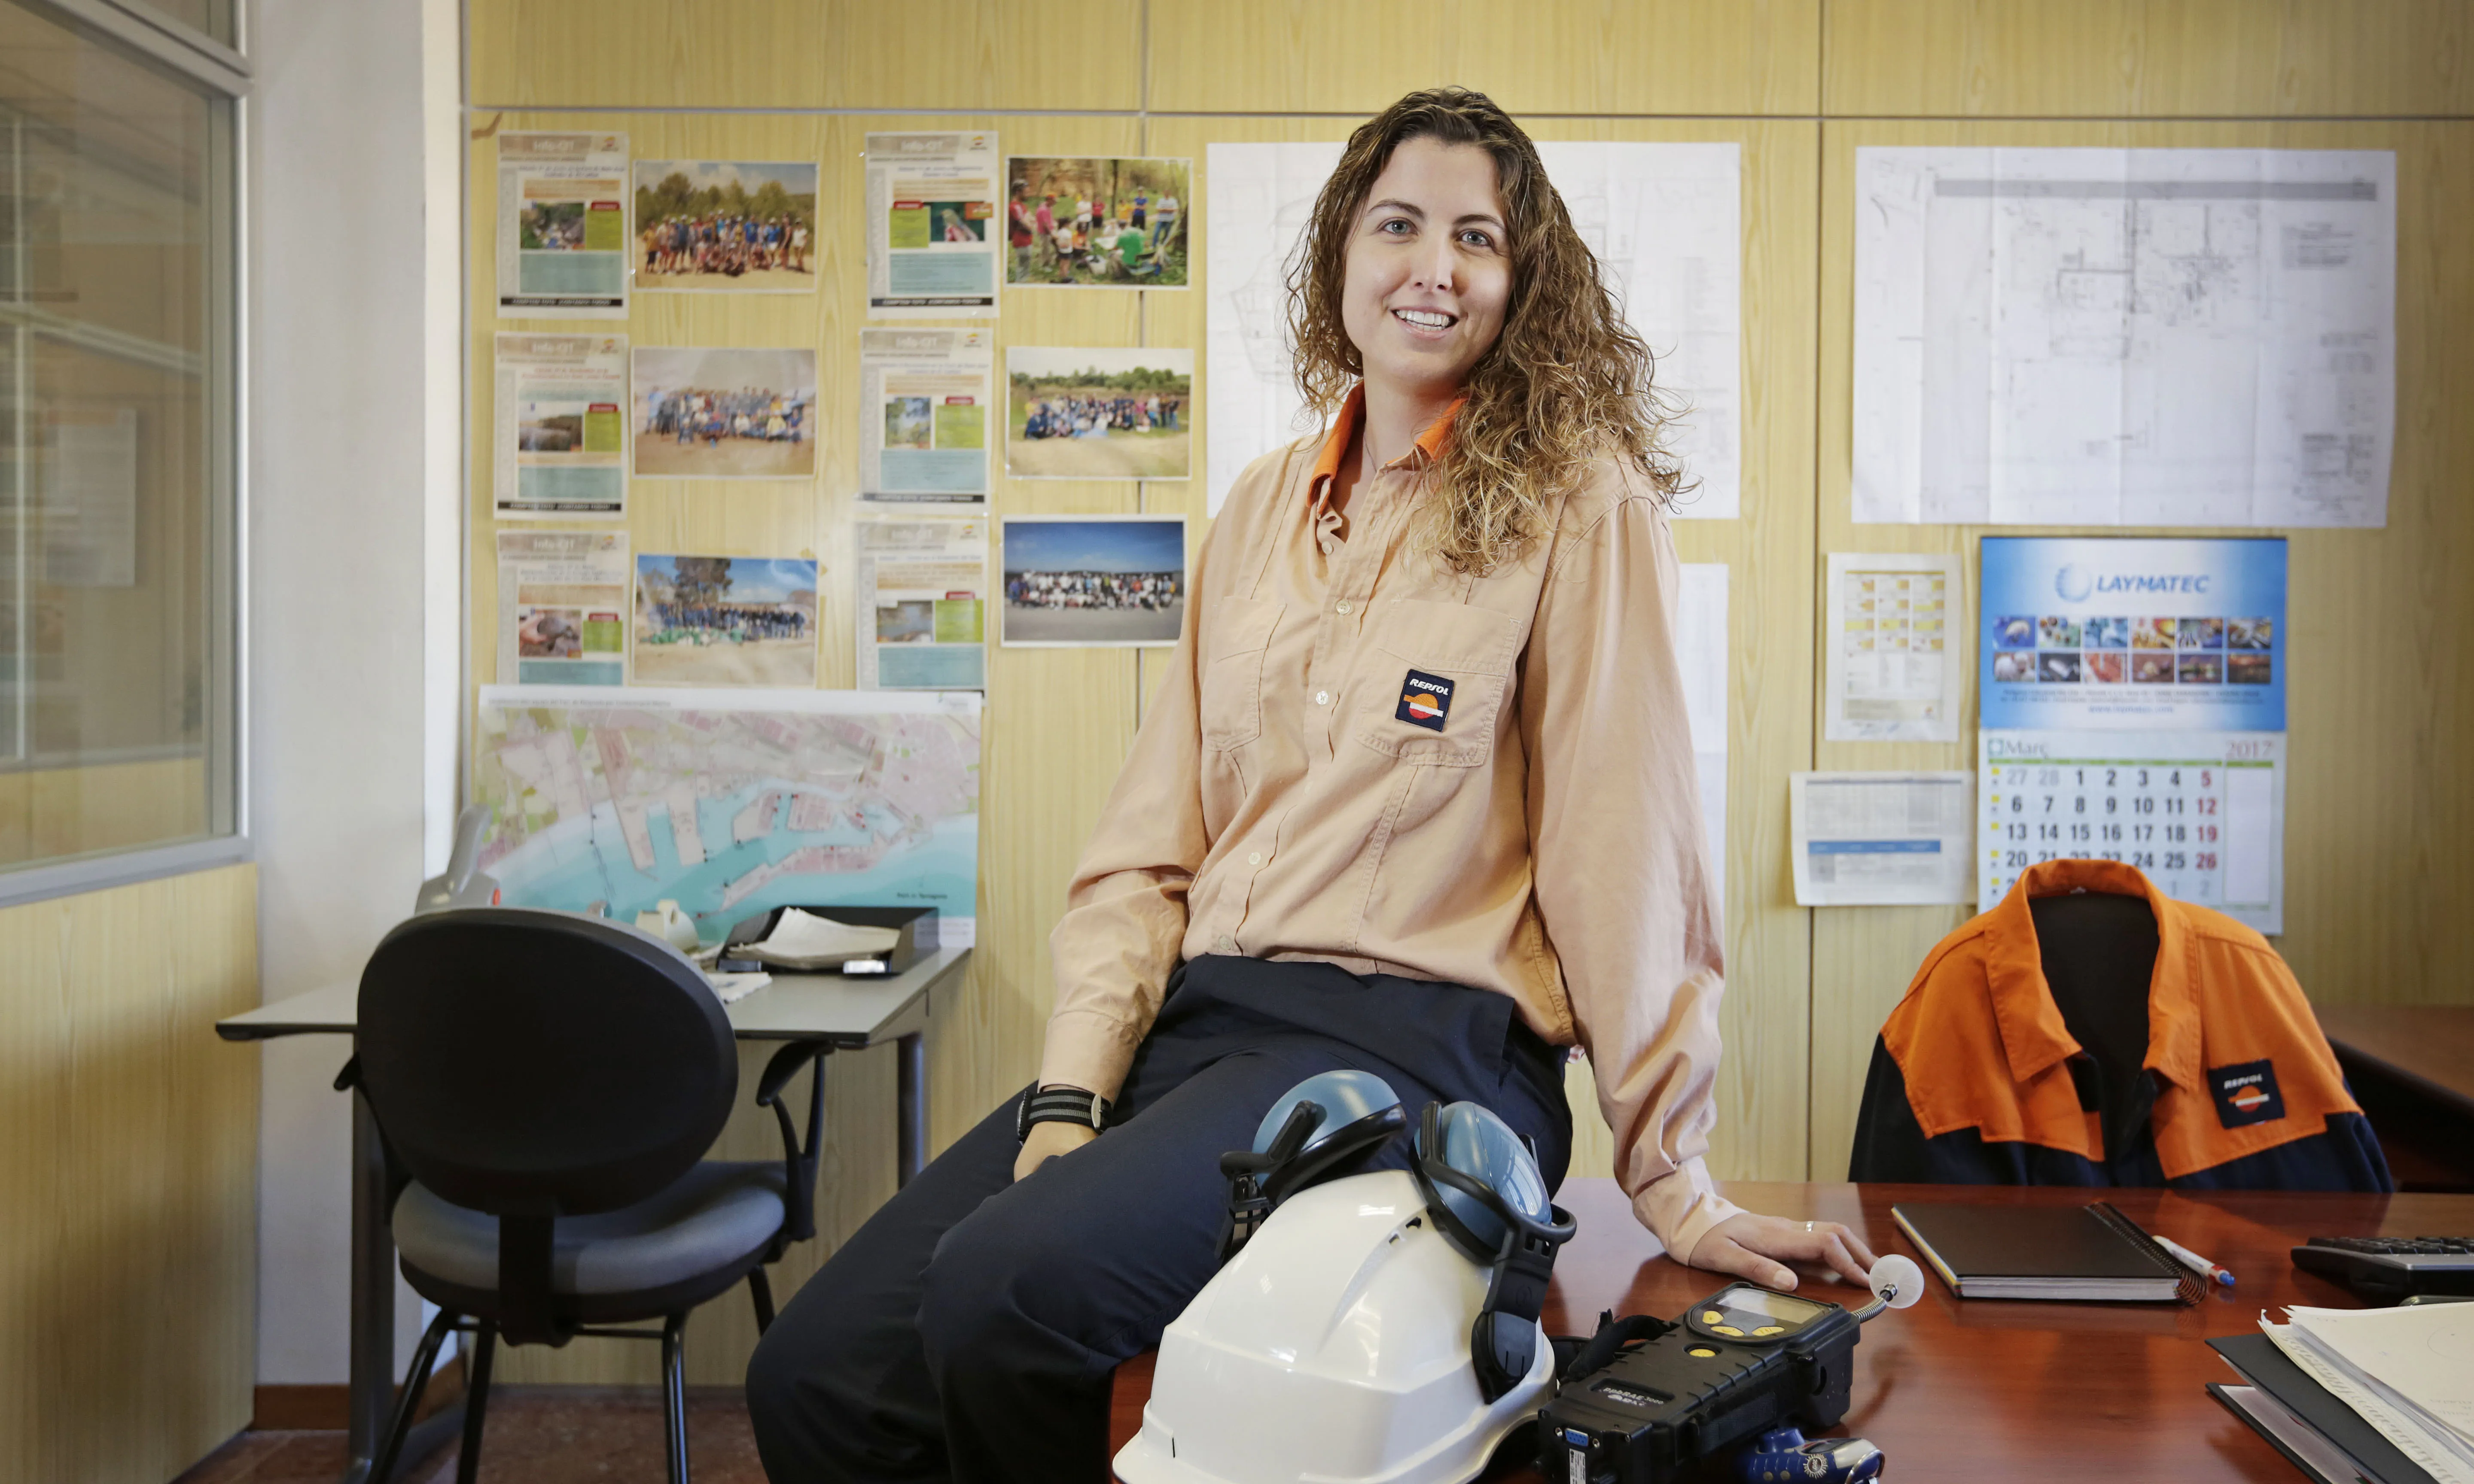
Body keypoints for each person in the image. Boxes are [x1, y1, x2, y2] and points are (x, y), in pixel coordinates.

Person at [745, 86, 1874, 1484]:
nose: (1435, 266)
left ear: (1524, 284)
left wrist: (1672, 1180)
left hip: (1419, 1049)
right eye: (1399, 224)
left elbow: (1624, 855)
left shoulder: (1584, 504)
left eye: (1479, 238)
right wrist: (1069, 1092)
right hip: (1203, 1032)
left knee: (1005, 1293)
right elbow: (1150, 849)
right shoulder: (1262, 510)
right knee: (812, 1378)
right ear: (1341, 258)